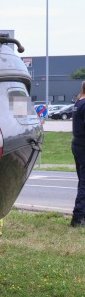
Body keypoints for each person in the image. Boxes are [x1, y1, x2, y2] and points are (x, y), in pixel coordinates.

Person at [71, 81, 85, 227]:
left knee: (82, 181)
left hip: (77, 144)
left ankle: (80, 215)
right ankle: (79, 217)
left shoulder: (78, 102)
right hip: (83, 145)